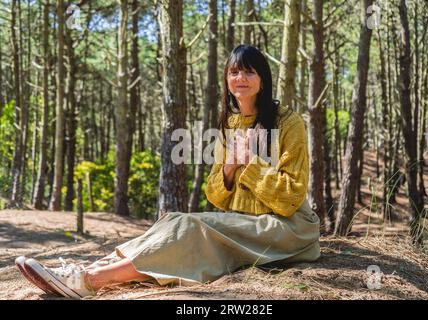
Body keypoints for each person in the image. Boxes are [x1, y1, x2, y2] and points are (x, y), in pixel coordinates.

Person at [15, 44, 320, 299]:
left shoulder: (287, 123)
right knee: (174, 219)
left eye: (249, 71)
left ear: (262, 79)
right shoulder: (228, 125)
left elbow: (291, 198)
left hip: (286, 229)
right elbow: (216, 195)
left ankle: (90, 283)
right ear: (227, 80)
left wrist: (250, 166)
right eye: (233, 72)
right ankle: (82, 271)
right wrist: (230, 166)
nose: (240, 77)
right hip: (243, 224)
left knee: (189, 228)